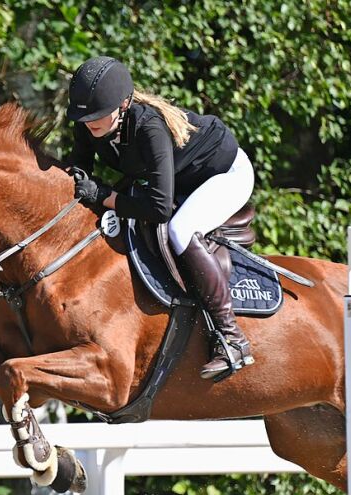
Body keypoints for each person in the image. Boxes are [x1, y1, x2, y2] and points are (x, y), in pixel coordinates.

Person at [66, 55, 255, 379]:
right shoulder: (89, 123)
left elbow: (159, 208)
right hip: (176, 179)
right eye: (85, 118)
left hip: (224, 173)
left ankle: (232, 338)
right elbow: (78, 172)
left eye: (97, 116)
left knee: (180, 230)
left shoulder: (148, 127)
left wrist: (106, 197)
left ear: (124, 105)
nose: (89, 124)